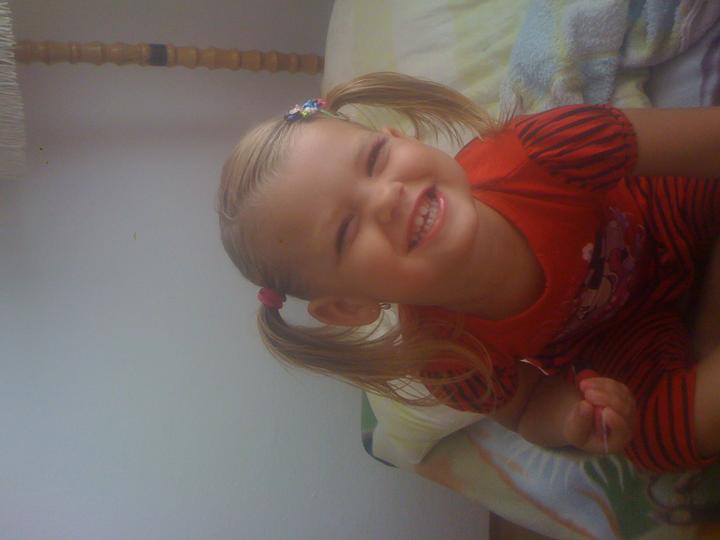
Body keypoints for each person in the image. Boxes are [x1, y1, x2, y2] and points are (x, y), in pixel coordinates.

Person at [217, 72, 720, 473]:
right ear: (349, 305)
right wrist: (570, 418)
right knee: (656, 440)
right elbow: (526, 407)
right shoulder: (447, 357)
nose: (388, 196)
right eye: (347, 231)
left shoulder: (540, 150)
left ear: (397, 137)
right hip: (617, 337)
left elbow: (706, 140)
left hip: (662, 211)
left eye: (375, 159)